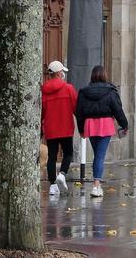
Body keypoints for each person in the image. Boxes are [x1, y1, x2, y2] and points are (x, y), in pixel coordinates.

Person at [75, 65, 128, 198]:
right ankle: (96, 185)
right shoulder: (111, 91)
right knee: (100, 155)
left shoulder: (83, 92)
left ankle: (96, 183)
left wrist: (81, 129)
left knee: (97, 154)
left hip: (90, 124)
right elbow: (118, 110)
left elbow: (79, 112)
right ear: (104, 75)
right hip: (105, 123)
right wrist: (124, 125)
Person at [41, 60, 77, 197]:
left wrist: (40, 127)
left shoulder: (44, 91)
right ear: (59, 73)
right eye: (62, 72)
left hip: (51, 129)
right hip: (66, 128)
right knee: (68, 153)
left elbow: (42, 112)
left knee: (52, 157)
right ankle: (62, 174)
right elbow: (75, 108)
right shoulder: (68, 88)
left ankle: (52, 185)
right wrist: (81, 126)